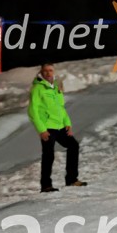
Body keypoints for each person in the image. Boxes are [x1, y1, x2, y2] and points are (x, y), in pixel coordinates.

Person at [28, 63, 87, 192]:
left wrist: (67, 124)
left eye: (50, 70)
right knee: (48, 155)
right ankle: (46, 185)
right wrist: (41, 130)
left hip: (60, 126)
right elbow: (33, 111)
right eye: (45, 71)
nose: (48, 73)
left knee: (73, 146)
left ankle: (71, 179)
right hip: (47, 127)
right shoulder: (37, 88)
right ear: (41, 72)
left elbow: (61, 108)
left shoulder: (56, 87)